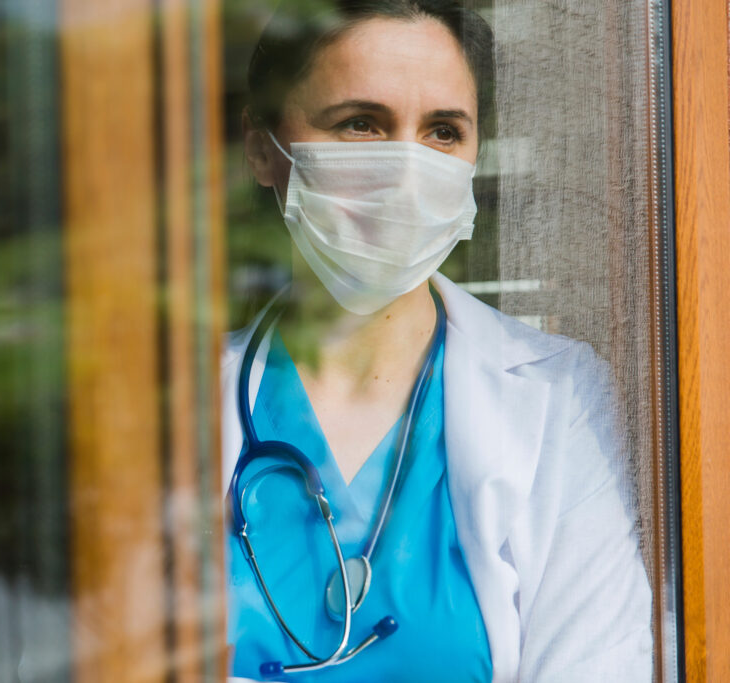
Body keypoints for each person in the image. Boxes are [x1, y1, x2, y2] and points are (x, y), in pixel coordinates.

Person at [221, 1, 653, 681]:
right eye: (361, 124)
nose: (405, 169)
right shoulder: (178, 402)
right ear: (261, 150)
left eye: (443, 132)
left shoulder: (558, 396)